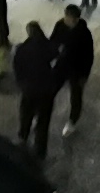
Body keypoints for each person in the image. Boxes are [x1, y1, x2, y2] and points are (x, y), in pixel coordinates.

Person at [8, 22, 61, 155]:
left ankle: (22, 138)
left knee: (26, 115)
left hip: (29, 90)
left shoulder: (22, 49)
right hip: (46, 91)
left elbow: (17, 68)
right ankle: (40, 148)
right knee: (43, 121)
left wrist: (21, 84)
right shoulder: (49, 47)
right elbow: (57, 57)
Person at [50, 5, 95, 131]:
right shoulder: (60, 25)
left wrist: (84, 75)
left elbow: (88, 56)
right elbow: (52, 41)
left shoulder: (84, 33)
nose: (65, 19)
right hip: (61, 65)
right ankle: (42, 112)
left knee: (76, 95)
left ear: (74, 19)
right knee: (51, 89)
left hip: (77, 69)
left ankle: (72, 121)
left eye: (68, 17)